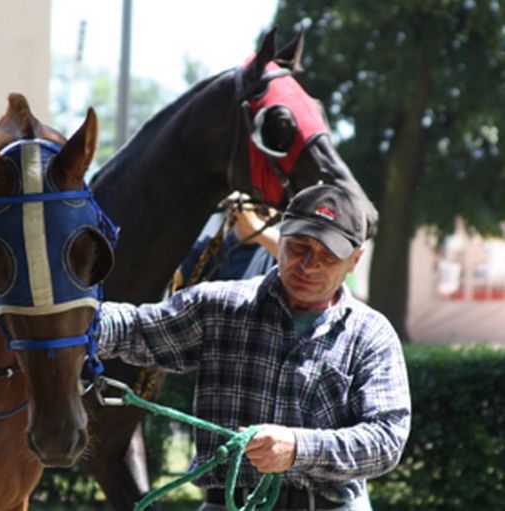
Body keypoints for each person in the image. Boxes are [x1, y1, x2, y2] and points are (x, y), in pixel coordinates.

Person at [99, 184, 411, 511]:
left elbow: (386, 440)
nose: (307, 265)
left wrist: (297, 448)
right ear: (281, 236)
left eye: (328, 256)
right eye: (299, 247)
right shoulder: (218, 307)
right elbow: (132, 329)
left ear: (355, 259)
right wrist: (70, 316)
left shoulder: (372, 335)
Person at [170, 193, 280, 293]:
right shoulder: (210, 247)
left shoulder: (274, 252)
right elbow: (173, 275)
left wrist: (253, 225)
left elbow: (290, 252)